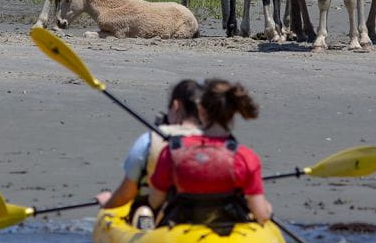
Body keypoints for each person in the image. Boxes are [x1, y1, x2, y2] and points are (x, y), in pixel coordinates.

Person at [148, 79, 272, 230]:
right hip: (228, 232)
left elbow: (154, 201)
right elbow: (261, 214)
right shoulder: (245, 157)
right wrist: (267, 208)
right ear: (233, 113)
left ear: (200, 109)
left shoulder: (173, 150)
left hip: (181, 231)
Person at [96, 80, 203, 228]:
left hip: (159, 212)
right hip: (202, 214)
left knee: (143, 209)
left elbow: (126, 194)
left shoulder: (149, 141)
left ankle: (144, 222)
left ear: (176, 105)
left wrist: (107, 204)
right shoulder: (219, 141)